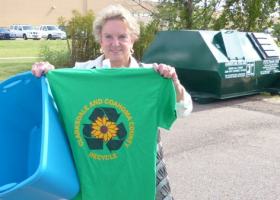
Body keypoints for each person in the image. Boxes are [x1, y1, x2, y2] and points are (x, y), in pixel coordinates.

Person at [32, 4, 193, 200]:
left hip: (138, 180)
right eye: (108, 36)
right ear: (100, 39)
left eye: (122, 36)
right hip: (90, 180)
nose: (115, 43)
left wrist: (174, 83)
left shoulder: (150, 76)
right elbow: (52, 110)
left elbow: (183, 109)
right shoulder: (80, 74)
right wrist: (46, 75)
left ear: (133, 39)